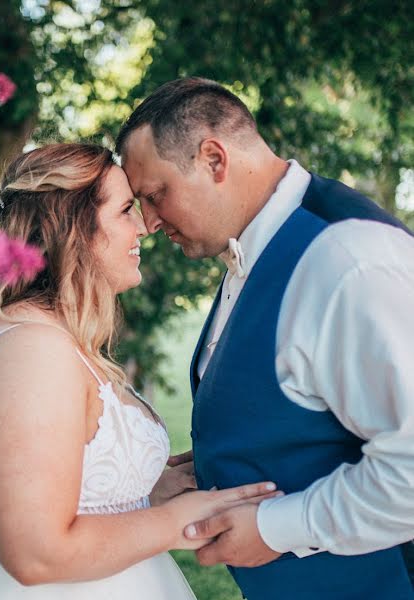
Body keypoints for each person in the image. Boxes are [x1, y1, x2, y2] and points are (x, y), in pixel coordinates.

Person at [0, 142, 280, 599]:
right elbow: (35, 552)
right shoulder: (31, 351)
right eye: (125, 210)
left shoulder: (48, 335)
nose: (143, 227)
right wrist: (184, 520)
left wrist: (142, 493)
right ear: (74, 228)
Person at [116, 77, 414, 600]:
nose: (150, 222)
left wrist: (277, 528)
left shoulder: (348, 261)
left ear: (214, 159)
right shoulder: (256, 246)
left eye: (156, 195)